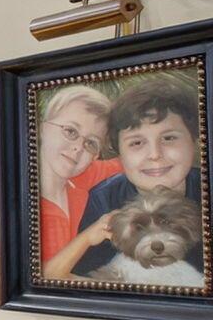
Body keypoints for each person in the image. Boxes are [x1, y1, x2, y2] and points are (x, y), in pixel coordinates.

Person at [45, 76, 203, 279]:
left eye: (169, 138)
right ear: (119, 152)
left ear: (195, 140)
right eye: (136, 143)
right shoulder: (103, 200)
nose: (155, 154)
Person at [34, 84, 118, 265]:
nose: (79, 147)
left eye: (91, 143)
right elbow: (48, 275)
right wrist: (87, 237)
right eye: (70, 131)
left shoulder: (83, 177)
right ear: (42, 128)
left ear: (96, 155)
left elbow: (133, 161)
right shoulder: (28, 203)